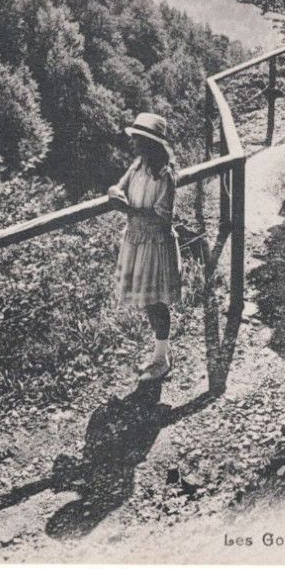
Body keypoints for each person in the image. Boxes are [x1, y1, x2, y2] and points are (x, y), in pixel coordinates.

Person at [108, 112, 182, 381]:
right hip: (137, 240)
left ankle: (161, 359)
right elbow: (121, 186)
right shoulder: (138, 165)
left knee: (156, 303)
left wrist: (130, 211)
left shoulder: (164, 176)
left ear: (152, 144)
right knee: (148, 303)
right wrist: (115, 192)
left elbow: (164, 217)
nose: (134, 144)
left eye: (139, 140)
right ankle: (160, 354)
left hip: (155, 244)